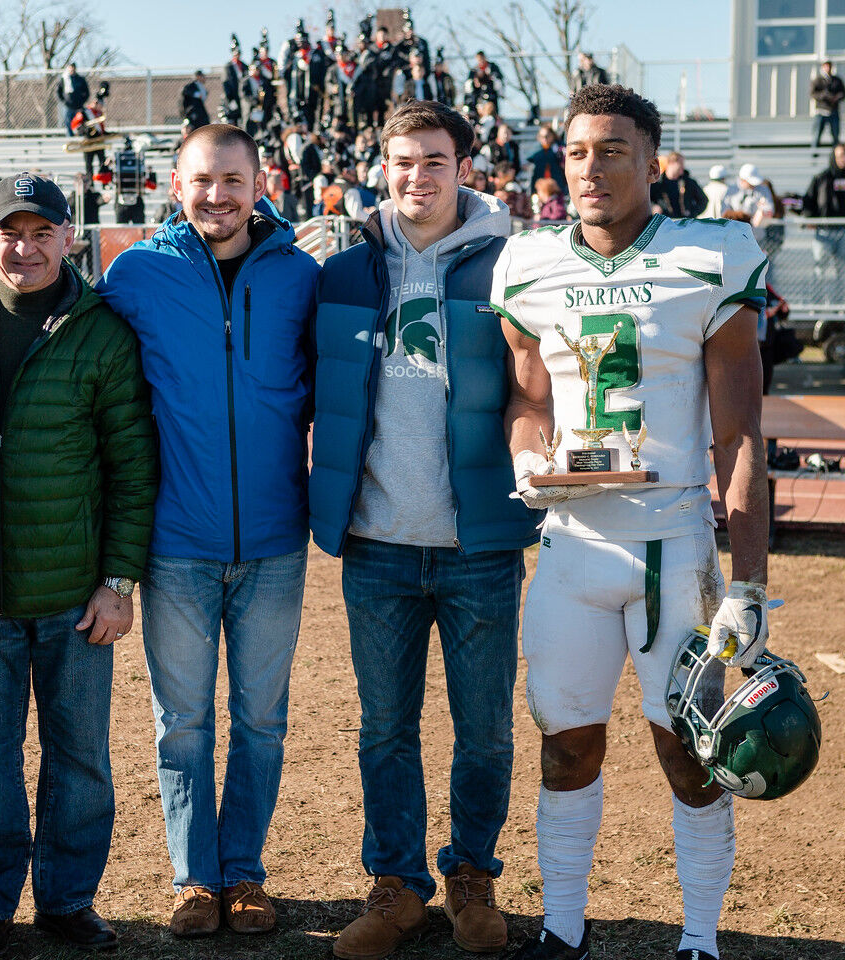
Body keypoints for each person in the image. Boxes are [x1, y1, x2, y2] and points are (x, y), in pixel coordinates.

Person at [494, 83, 769, 960]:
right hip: (570, 547)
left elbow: (740, 434)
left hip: (671, 545)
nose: (592, 167)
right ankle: (562, 927)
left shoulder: (712, 253)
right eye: (577, 151)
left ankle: (698, 937)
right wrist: (527, 460)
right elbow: (529, 402)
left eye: (613, 150)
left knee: (689, 754)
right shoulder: (527, 263)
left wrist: (753, 580)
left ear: (654, 162)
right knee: (565, 748)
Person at [310, 99, 538, 960]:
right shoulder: (342, 270)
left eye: (433, 160)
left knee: (485, 731)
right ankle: (399, 886)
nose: (416, 176)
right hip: (376, 545)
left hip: (478, 546)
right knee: (383, 730)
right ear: (383, 166)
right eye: (401, 160)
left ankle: (472, 876)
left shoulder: (511, 264)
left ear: (463, 168)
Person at [96, 124, 319, 940]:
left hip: (273, 541)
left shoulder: (302, 277)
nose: (218, 197)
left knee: (261, 719)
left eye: (233, 180)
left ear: (260, 181)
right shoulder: (135, 275)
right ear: (174, 184)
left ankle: (245, 871)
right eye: (202, 181)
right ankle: (194, 876)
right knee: (181, 721)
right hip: (176, 542)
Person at [0, 172, 157, 960]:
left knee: (80, 759)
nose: (25, 248)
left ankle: (67, 899)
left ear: (69, 236)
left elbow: (132, 467)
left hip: (74, 597)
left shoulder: (101, 331)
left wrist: (120, 582)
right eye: (10, 233)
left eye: (41, 232)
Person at [802, 142, 845, 302]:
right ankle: (817, 305)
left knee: (842, 273)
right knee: (820, 270)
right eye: (840, 155)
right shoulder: (821, 178)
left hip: (844, 232)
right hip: (824, 232)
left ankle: (840, 307)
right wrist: (809, 218)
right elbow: (808, 201)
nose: (843, 159)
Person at [650, 152, 708, 218]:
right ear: (671, 163)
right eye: (681, 163)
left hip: (684, 224)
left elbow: (703, 200)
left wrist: (692, 213)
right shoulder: (657, 183)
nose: (683, 167)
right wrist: (653, 207)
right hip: (664, 224)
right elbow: (646, 200)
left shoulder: (689, 182)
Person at [811, 60, 845, 147]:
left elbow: (842, 93)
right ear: (822, 68)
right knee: (816, 136)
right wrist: (824, 96)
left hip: (833, 111)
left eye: (829, 66)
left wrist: (836, 97)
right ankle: (814, 157)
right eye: (826, 66)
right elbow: (813, 94)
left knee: (835, 136)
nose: (828, 68)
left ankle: (836, 157)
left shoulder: (837, 80)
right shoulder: (818, 80)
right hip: (821, 111)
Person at [527, 124, 567, 196]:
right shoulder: (537, 150)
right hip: (540, 183)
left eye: (547, 136)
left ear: (552, 136)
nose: (545, 138)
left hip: (556, 183)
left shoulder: (559, 148)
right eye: (542, 136)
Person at [57, 63, 90, 134]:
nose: (71, 69)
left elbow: (86, 92)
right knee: (68, 123)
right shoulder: (64, 79)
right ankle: (70, 138)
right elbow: (59, 92)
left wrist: (82, 101)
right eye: (70, 68)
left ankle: (80, 137)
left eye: (73, 68)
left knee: (80, 123)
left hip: (79, 106)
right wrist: (64, 101)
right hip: (68, 106)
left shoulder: (80, 79)